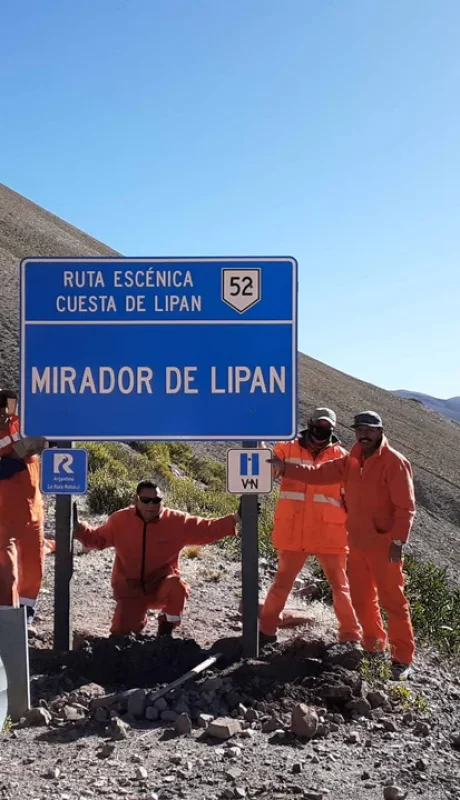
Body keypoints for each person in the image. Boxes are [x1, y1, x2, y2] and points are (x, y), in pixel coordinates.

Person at [269, 411, 416, 680]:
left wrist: (398, 541)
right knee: (362, 600)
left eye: (370, 429)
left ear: (381, 431)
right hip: (356, 543)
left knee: (393, 601)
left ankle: (402, 659)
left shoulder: (395, 462)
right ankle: (374, 648)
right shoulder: (351, 460)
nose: (364, 434)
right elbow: (317, 474)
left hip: (384, 545)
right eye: (360, 429)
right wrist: (285, 467)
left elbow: (406, 508)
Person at [73, 479, 243, 637]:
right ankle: (137, 621)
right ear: (136, 500)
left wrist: (236, 517)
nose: (151, 505)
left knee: (178, 587)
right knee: (120, 635)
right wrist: (79, 528)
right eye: (145, 500)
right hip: (130, 590)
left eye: (156, 500)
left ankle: (165, 632)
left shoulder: (177, 521)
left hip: (160, 586)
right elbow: (97, 539)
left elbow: (207, 529)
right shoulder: (120, 520)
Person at [259, 408, 361, 648]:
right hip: (294, 529)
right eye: (318, 427)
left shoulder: (342, 457)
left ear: (332, 431)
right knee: (282, 582)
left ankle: (350, 637)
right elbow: (266, 469)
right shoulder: (287, 448)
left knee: (340, 586)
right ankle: (266, 631)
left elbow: (351, 497)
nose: (321, 433)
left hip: (330, 533)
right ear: (310, 424)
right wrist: (259, 443)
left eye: (327, 429)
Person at [0, 389, 46, 623]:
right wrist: (16, 457)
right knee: (7, 573)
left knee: (34, 567)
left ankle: (26, 616)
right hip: (3, 516)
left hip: (33, 511)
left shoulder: (19, 424)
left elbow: (43, 438)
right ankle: (7, 623)